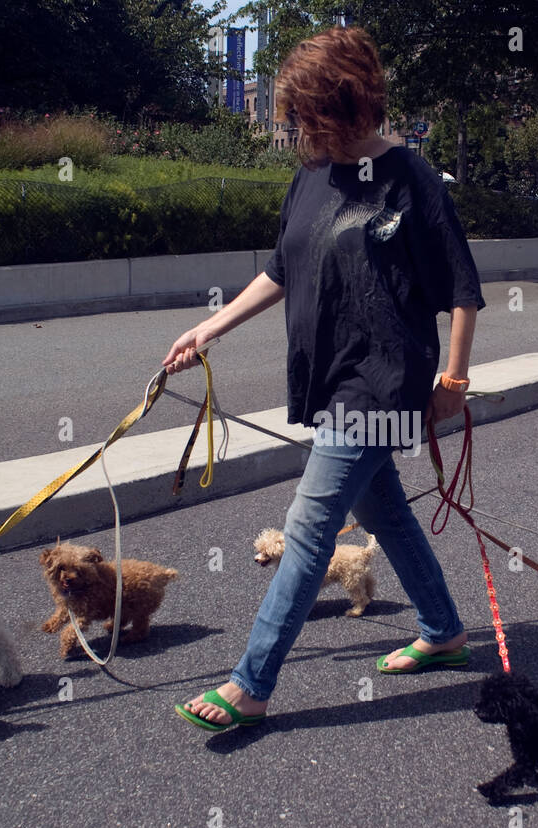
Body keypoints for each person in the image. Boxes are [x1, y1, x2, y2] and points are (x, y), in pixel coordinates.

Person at [162, 26, 485, 731]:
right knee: (382, 512)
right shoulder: (311, 173)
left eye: (313, 115)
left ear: (353, 103)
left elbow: (463, 287)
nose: (302, 128)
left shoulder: (413, 178)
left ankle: (251, 684)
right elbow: (282, 268)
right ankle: (444, 631)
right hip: (328, 375)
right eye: (298, 117)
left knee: (309, 527)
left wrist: (454, 381)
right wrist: (210, 327)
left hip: (385, 382)